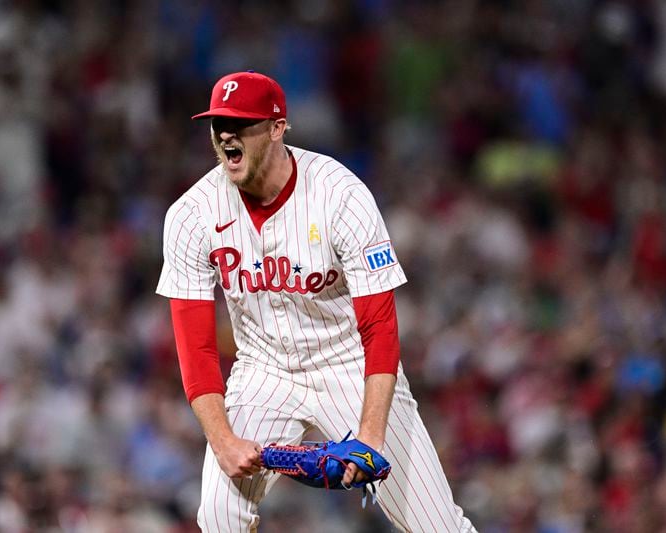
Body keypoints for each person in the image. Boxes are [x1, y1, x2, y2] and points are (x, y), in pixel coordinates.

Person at [156, 71, 476, 532]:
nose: (226, 133)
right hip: (262, 370)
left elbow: (380, 327)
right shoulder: (191, 215)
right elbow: (197, 349)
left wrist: (370, 435)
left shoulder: (339, 195)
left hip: (348, 361)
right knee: (219, 516)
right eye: (217, 123)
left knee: (437, 525)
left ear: (277, 127)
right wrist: (223, 439)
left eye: (241, 123)